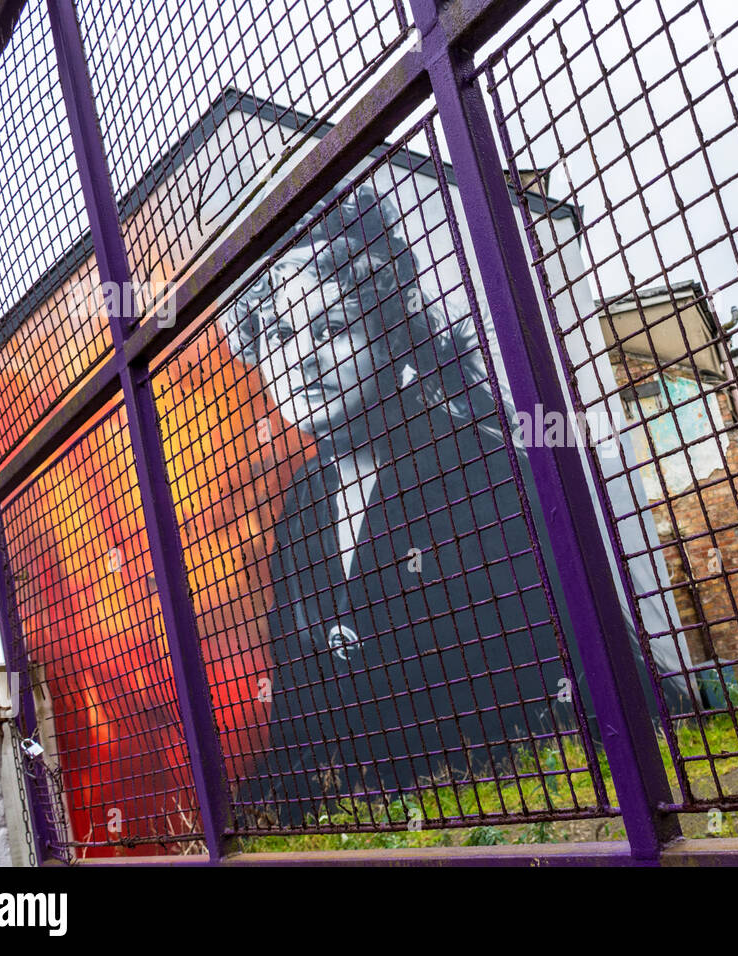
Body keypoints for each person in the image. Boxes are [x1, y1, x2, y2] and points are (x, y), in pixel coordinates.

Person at [220, 182, 575, 825]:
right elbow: (302, 698)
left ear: (387, 331)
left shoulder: (481, 465)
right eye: (276, 334)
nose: (302, 357)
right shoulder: (303, 506)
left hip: (497, 818)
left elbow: (538, 674)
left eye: (330, 326)